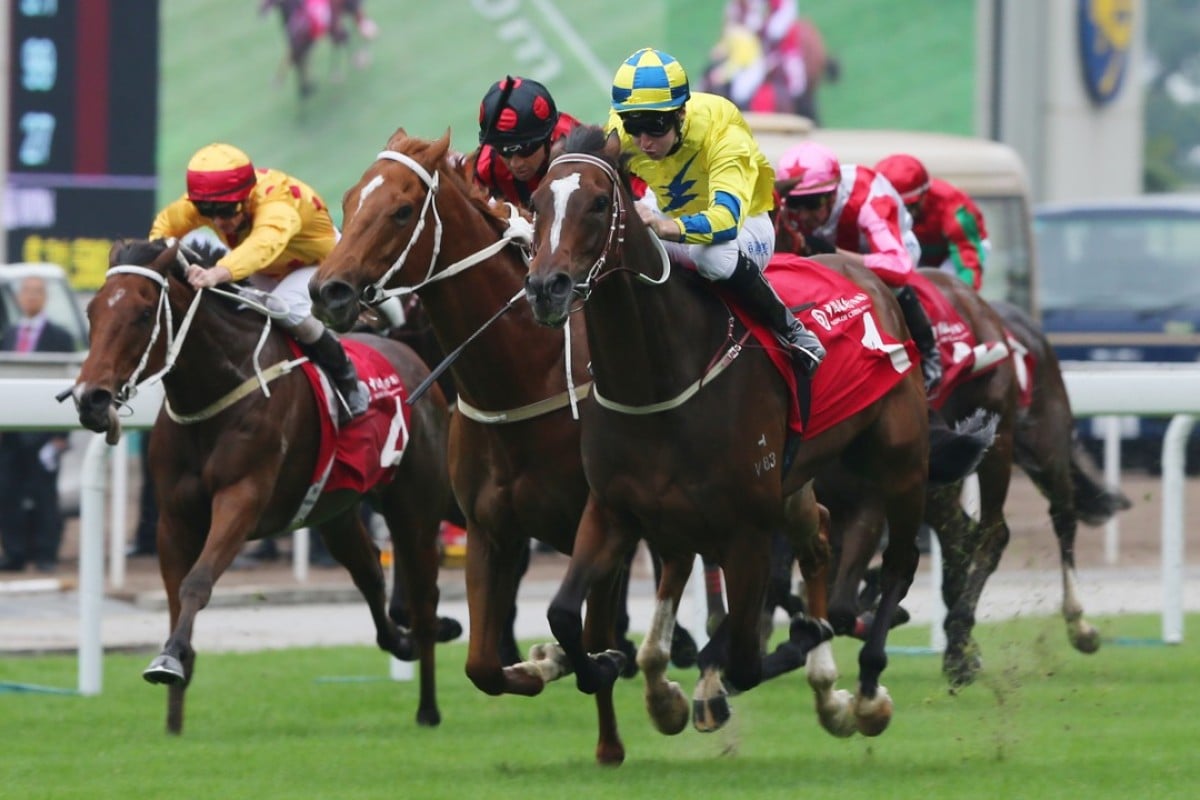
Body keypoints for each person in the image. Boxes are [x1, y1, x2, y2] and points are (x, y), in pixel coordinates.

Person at [606, 46, 825, 377]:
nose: (643, 141)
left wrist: (663, 228)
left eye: (654, 127)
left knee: (711, 257)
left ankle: (793, 330)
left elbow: (724, 222)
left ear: (680, 114)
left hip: (743, 224)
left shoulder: (723, 132)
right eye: (633, 128)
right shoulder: (622, 132)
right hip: (668, 208)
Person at [149, 142, 368, 421]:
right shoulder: (211, 201)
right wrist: (151, 261)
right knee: (238, 311)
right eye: (208, 211)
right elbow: (164, 228)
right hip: (268, 269)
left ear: (246, 195)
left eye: (227, 211)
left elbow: (264, 245)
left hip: (321, 263)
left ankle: (347, 380)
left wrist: (217, 272)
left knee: (283, 304)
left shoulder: (278, 203)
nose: (219, 221)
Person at [772, 140, 943, 391]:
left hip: (885, 251)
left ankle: (930, 357)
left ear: (833, 194)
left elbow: (898, 269)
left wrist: (831, 252)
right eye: (795, 204)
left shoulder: (870, 200)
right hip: (830, 248)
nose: (804, 214)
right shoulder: (790, 206)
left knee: (890, 287)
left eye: (812, 203)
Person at [0, 276, 78, 572]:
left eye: (36, 293)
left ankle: (46, 554)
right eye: (26, 293)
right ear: (19, 298)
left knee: (45, 495)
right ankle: (15, 552)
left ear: (44, 297)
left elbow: (68, 382)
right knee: (7, 493)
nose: (30, 298)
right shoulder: (9, 334)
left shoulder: (60, 336)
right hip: (12, 432)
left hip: (46, 433)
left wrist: (61, 435)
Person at [875, 153, 990, 291]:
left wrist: (965, 296)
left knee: (944, 292)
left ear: (925, 193)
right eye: (893, 207)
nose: (902, 215)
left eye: (908, 206)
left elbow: (968, 258)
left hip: (957, 250)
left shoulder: (953, 207)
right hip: (913, 247)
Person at [472, 75, 582, 209]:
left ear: (548, 137)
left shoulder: (580, 153)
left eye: (525, 149)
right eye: (503, 150)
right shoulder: (486, 169)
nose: (515, 163)